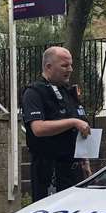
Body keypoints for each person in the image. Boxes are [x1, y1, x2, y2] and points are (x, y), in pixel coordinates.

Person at [21, 46, 93, 200]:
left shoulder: (68, 92)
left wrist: (85, 160)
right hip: (49, 171)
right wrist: (73, 122)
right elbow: (38, 128)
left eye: (71, 65)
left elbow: (80, 128)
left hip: (74, 169)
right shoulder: (34, 92)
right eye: (64, 65)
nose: (70, 69)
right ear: (49, 67)